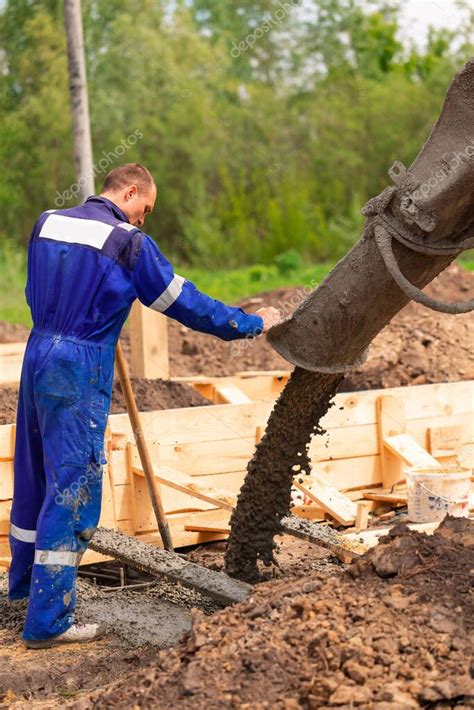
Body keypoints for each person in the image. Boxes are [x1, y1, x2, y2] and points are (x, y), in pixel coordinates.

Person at [9, 163, 281, 649]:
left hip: (38, 351)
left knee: (34, 476)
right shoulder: (129, 244)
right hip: (79, 363)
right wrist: (250, 323)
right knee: (72, 486)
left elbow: (38, 289)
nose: (144, 221)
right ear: (130, 191)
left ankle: (23, 590)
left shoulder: (48, 221)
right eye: (145, 209)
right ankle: (48, 622)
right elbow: (184, 303)